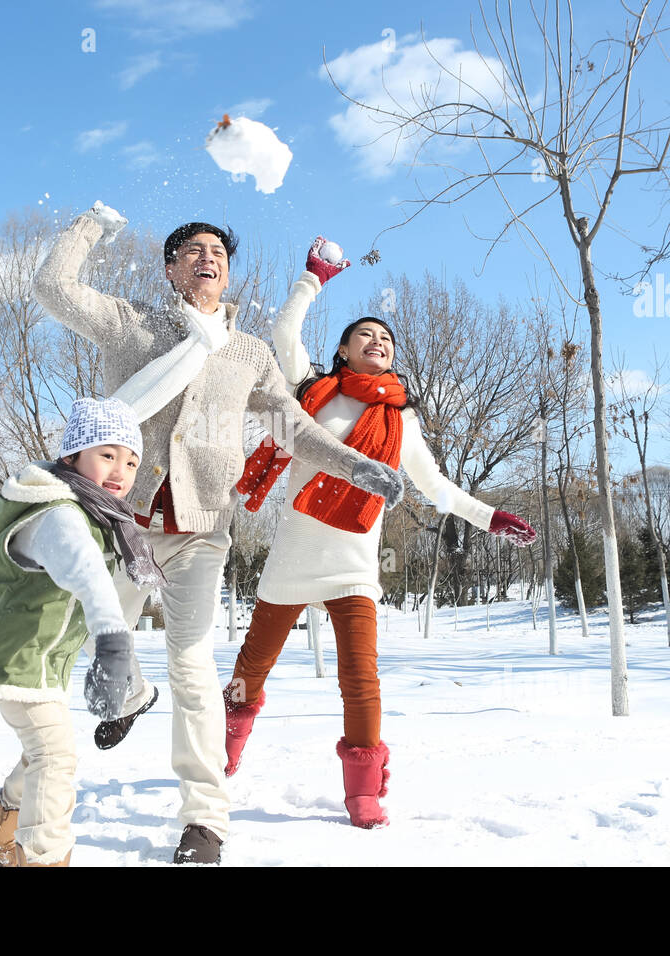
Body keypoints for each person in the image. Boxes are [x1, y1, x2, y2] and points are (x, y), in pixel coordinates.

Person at [31, 203, 404, 864]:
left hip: (203, 529)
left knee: (194, 667)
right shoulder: (134, 327)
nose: (209, 259)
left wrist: (358, 466)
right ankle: (130, 696)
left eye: (219, 254)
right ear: (172, 270)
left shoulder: (249, 353)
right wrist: (91, 224)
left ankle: (204, 818)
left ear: (228, 273)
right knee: (104, 642)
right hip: (127, 525)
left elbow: (294, 428)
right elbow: (54, 290)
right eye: (194, 251)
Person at [226, 238, 537, 829]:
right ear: (343, 349)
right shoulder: (311, 391)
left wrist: (488, 516)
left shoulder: (402, 422)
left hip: (353, 565)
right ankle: (225, 748)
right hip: (293, 555)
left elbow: (438, 489)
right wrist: (314, 279)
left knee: (360, 678)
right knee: (251, 667)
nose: (378, 341)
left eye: (386, 339)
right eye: (365, 334)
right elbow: (284, 331)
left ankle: (363, 791)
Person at [0, 397, 164, 867]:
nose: (121, 471)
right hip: (11, 660)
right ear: (72, 456)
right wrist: (113, 644)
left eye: (131, 461)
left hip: (37, 662)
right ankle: (42, 858)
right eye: (107, 455)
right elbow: (87, 576)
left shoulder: (93, 512)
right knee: (55, 756)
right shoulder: (61, 514)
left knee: (43, 752)